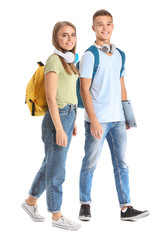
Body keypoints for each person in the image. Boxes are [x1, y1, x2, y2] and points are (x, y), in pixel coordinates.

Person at [78, 9, 149, 221]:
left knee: (122, 164)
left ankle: (126, 208)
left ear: (113, 26)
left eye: (108, 24)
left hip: (117, 119)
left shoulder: (120, 54)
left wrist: (127, 115)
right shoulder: (90, 55)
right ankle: (84, 204)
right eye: (100, 24)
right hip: (97, 120)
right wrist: (94, 120)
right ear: (93, 28)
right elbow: (84, 90)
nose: (104, 28)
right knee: (90, 163)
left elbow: (121, 85)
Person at [22, 21, 81, 230]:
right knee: (57, 169)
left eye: (72, 35)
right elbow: (50, 97)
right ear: (56, 37)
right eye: (64, 35)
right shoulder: (54, 61)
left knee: (50, 163)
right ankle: (56, 215)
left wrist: (71, 122)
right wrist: (59, 127)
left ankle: (30, 201)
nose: (69, 39)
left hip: (68, 115)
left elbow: (69, 92)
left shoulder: (70, 61)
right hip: (57, 117)